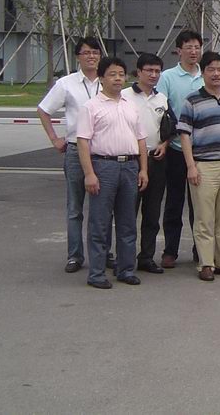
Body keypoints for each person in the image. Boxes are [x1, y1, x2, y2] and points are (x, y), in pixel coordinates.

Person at [76, 57, 148, 289]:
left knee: (128, 223)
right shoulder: (91, 107)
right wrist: (89, 173)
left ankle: (126, 269)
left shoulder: (130, 105)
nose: (118, 79)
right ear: (101, 78)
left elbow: (141, 139)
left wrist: (143, 169)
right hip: (103, 167)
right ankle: (97, 273)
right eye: (112, 74)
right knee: (100, 222)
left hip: (130, 166)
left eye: (121, 74)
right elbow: (83, 142)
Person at [37, 37, 103, 274]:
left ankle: (104, 253)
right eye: (86, 52)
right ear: (78, 57)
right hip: (75, 150)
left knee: (103, 208)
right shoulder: (66, 84)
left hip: (102, 152)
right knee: (75, 207)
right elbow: (43, 110)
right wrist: (54, 139)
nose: (91, 56)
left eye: (95, 52)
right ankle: (75, 255)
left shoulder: (108, 80)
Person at [178, 51, 220, 282]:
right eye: (211, 69)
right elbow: (184, 134)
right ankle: (206, 263)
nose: (216, 74)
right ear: (203, 73)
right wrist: (190, 166)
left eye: (219, 69)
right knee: (205, 218)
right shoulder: (192, 100)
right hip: (203, 166)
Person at [121, 53, 174, 274]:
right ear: (139, 71)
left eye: (157, 71)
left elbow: (170, 126)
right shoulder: (123, 96)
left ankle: (146, 257)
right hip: (131, 161)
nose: (153, 75)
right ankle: (124, 259)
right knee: (127, 213)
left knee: (152, 213)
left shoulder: (162, 98)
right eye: (149, 70)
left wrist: (165, 144)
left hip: (156, 160)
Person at [156, 30, 204, 269]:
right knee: (174, 202)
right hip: (176, 148)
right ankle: (170, 251)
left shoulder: (206, 75)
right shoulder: (167, 77)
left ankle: (200, 250)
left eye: (197, 47)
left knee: (200, 205)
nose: (193, 51)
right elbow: (161, 109)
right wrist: (166, 139)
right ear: (178, 50)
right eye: (188, 47)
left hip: (202, 151)